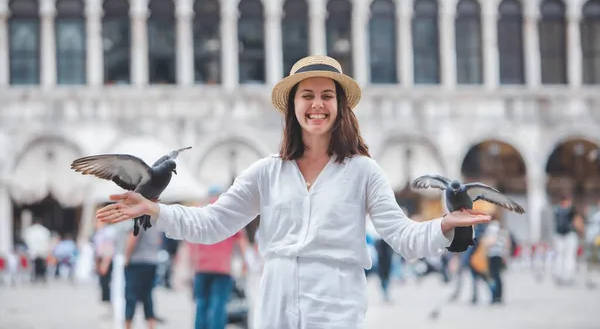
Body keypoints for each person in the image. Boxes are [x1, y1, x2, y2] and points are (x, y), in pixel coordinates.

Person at [97, 55, 491, 328]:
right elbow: (213, 222)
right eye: (307, 95)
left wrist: (445, 224)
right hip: (275, 308)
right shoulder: (267, 172)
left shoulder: (363, 172)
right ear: (293, 106)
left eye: (326, 95)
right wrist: (155, 208)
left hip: (336, 309)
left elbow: (403, 236)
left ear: (340, 106)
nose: (317, 105)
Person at [187, 192, 251, 329]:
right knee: (219, 304)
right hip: (223, 268)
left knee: (201, 303)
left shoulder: (200, 211)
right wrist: (246, 262)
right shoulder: (229, 214)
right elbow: (241, 241)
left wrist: (192, 263)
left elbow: (191, 240)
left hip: (201, 267)